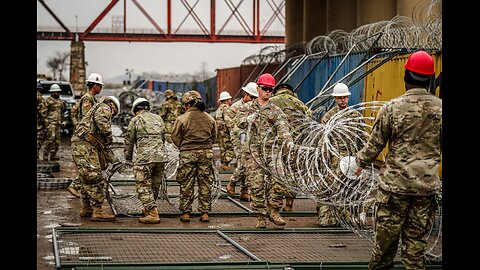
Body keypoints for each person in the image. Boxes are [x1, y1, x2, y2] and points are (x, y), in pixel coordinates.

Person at [354, 50, 441, 270]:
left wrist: (359, 164)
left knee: (384, 249)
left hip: (394, 189)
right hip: (425, 190)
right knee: (415, 250)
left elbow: (375, 144)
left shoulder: (392, 108)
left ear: (406, 78)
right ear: (430, 78)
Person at [237, 73, 294, 228]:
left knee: (279, 178)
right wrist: (247, 120)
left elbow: (283, 127)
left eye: (271, 89)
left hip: (271, 151)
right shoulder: (246, 108)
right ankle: (260, 216)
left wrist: (288, 141)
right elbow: (238, 124)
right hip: (253, 152)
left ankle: (274, 210)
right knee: (256, 185)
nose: (268, 92)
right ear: (258, 89)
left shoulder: (276, 111)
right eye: (265, 88)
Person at [315, 82, 367, 227]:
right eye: (339, 98)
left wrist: (363, 160)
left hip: (351, 160)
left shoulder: (355, 116)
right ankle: (329, 216)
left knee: (351, 189)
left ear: (348, 98)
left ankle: (351, 216)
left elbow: (362, 139)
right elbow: (323, 140)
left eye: (345, 97)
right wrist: (323, 160)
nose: (343, 100)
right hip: (334, 160)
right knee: (331, 188)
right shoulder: (329, 117)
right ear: (335, 99)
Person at [70, 96, 122, 222]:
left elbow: (103, 146)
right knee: (95, 176)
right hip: (84, 146)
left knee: (86, 177)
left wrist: (114, 160)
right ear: (113, 107)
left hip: (82, 145)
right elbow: (103, 125)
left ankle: (87, 208)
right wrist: (109, 137)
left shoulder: (95, 110)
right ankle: (98, 211)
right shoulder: (105, 107)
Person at [171, 90, 217, 223]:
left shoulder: (182, 118)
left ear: (187, 104)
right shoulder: (209, 118)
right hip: (206, 153)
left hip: (187, 153)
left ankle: (186, 213)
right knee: (205, 183)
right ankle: (205, 213)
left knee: (186, 183)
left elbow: (175, 136)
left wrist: (183, 146)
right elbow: (214, 136)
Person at [124, 97, 168, 224]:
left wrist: (128, 158)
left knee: (143, 186)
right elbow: (163, 138)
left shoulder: (136, 120)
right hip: (160, 157)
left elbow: (129, 141)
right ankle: (148, 210)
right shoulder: (158, 118)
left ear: (136, 109)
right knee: (154, 186)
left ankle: (153, 213)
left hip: (145, 158)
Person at [269, 82, 313, 212]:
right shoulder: (297, 102)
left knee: (276, 173)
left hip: (276, 144)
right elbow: (309, 117)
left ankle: (275, 204)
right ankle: (289, 204)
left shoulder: (272, 101)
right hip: (294, 143)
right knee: (293, 172)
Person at [67, 72, 105, 198]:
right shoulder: (88, 98)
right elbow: (88, 118)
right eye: (100, 86)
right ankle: (75, 185)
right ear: (94, 85)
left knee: (88, 167)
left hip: (86, 137)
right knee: (91, 168)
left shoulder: (91, 98)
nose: (101, 88)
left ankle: (78, 188)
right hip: (85, 138)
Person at [225, 82, 258, 201]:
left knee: (249, 164)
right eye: (251, 97)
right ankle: (232, 182)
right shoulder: (235, 107)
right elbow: (231, 125)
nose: (253, 100)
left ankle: (244, 191)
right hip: (238, 137)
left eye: (255, 98)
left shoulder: (256, 107)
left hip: (251, 138)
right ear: (245, 94)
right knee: (243, 163)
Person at [42, 84, 65, 161]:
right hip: (51, 123)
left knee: (57, 141)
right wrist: (46, 124)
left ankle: (53, 155)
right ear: (52, 92)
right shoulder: (48, 101)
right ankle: (45, 154)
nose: (58, 93)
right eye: (57, 92)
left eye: (59, 92)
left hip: (58, 124)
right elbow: (44, 113)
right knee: (50, 139)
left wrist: (62, 121)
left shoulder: (60, 102)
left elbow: (62, 113)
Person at [215, 91, 235, 171]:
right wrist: (232, 130)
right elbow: (228, 121)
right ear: (227, 100)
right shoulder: (226, 108)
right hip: (226, 132)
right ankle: (226, 163)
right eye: (230, 99)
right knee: (230, 148)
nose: (231, 100)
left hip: (220, 132)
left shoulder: (219, 108)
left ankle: (223, 163)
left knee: (223, 148)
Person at [37, 81, 48, 160]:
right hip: (38, 123)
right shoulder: (40, 98)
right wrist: (46, 125)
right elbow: (43, 113)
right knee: (38, 138)